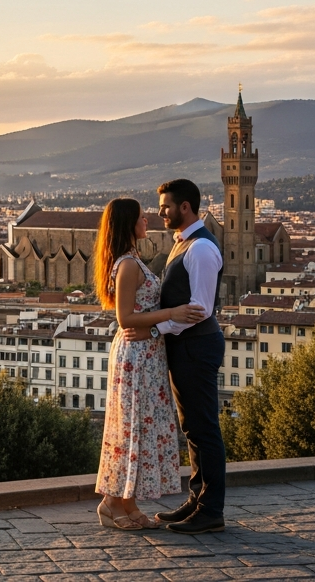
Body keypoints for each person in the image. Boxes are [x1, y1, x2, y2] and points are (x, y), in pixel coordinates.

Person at [93, 197, 205, 530]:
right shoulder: (128, 265)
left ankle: (127, 501)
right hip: (134, 358)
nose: (148, 220)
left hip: (147, 355)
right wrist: (172, 314)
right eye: (142, 217)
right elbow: (125, 317)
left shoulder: (133, 260)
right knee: (130, 429)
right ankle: (111, 503)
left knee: (140, 428)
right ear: (128, 223)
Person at [127, 178, 227, 534]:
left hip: (196, 345)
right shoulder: (183, 244)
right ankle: (197, 499)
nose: (161, 213)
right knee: (194, 429)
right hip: (186, 346)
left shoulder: (199, 249)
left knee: (205, 429)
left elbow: (198, 308)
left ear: (186, 207)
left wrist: (154, 330)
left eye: (166, 207)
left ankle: (211, 509)